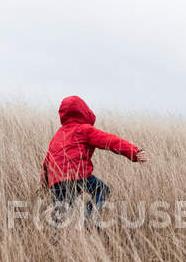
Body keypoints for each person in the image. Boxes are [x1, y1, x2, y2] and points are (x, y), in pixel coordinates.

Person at [40, 96, 148, 226]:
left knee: (60, 217)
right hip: (78, 176)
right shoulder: (84, 130)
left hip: (57, 181)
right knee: (102, 190)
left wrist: (45, 184)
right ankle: (89, 216)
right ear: (84, 111)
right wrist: (135, 152)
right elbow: (110, 141)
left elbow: (47, 161)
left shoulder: (58, 134)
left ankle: (56, 243)